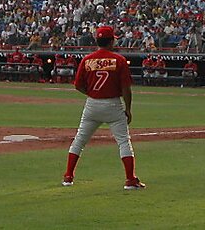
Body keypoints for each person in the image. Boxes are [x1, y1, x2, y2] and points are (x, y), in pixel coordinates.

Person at [62, 26, 145, 190]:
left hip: (92, 104)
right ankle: (130, 180)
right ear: (111, 40)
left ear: (96, 41)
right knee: (123, 141)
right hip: (113, 104)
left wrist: (91, 93)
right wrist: (128, 109)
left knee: (79, 140)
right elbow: (126, 89)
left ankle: (68, 177)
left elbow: (78, 86)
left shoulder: (87, 60)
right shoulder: (119, 60)